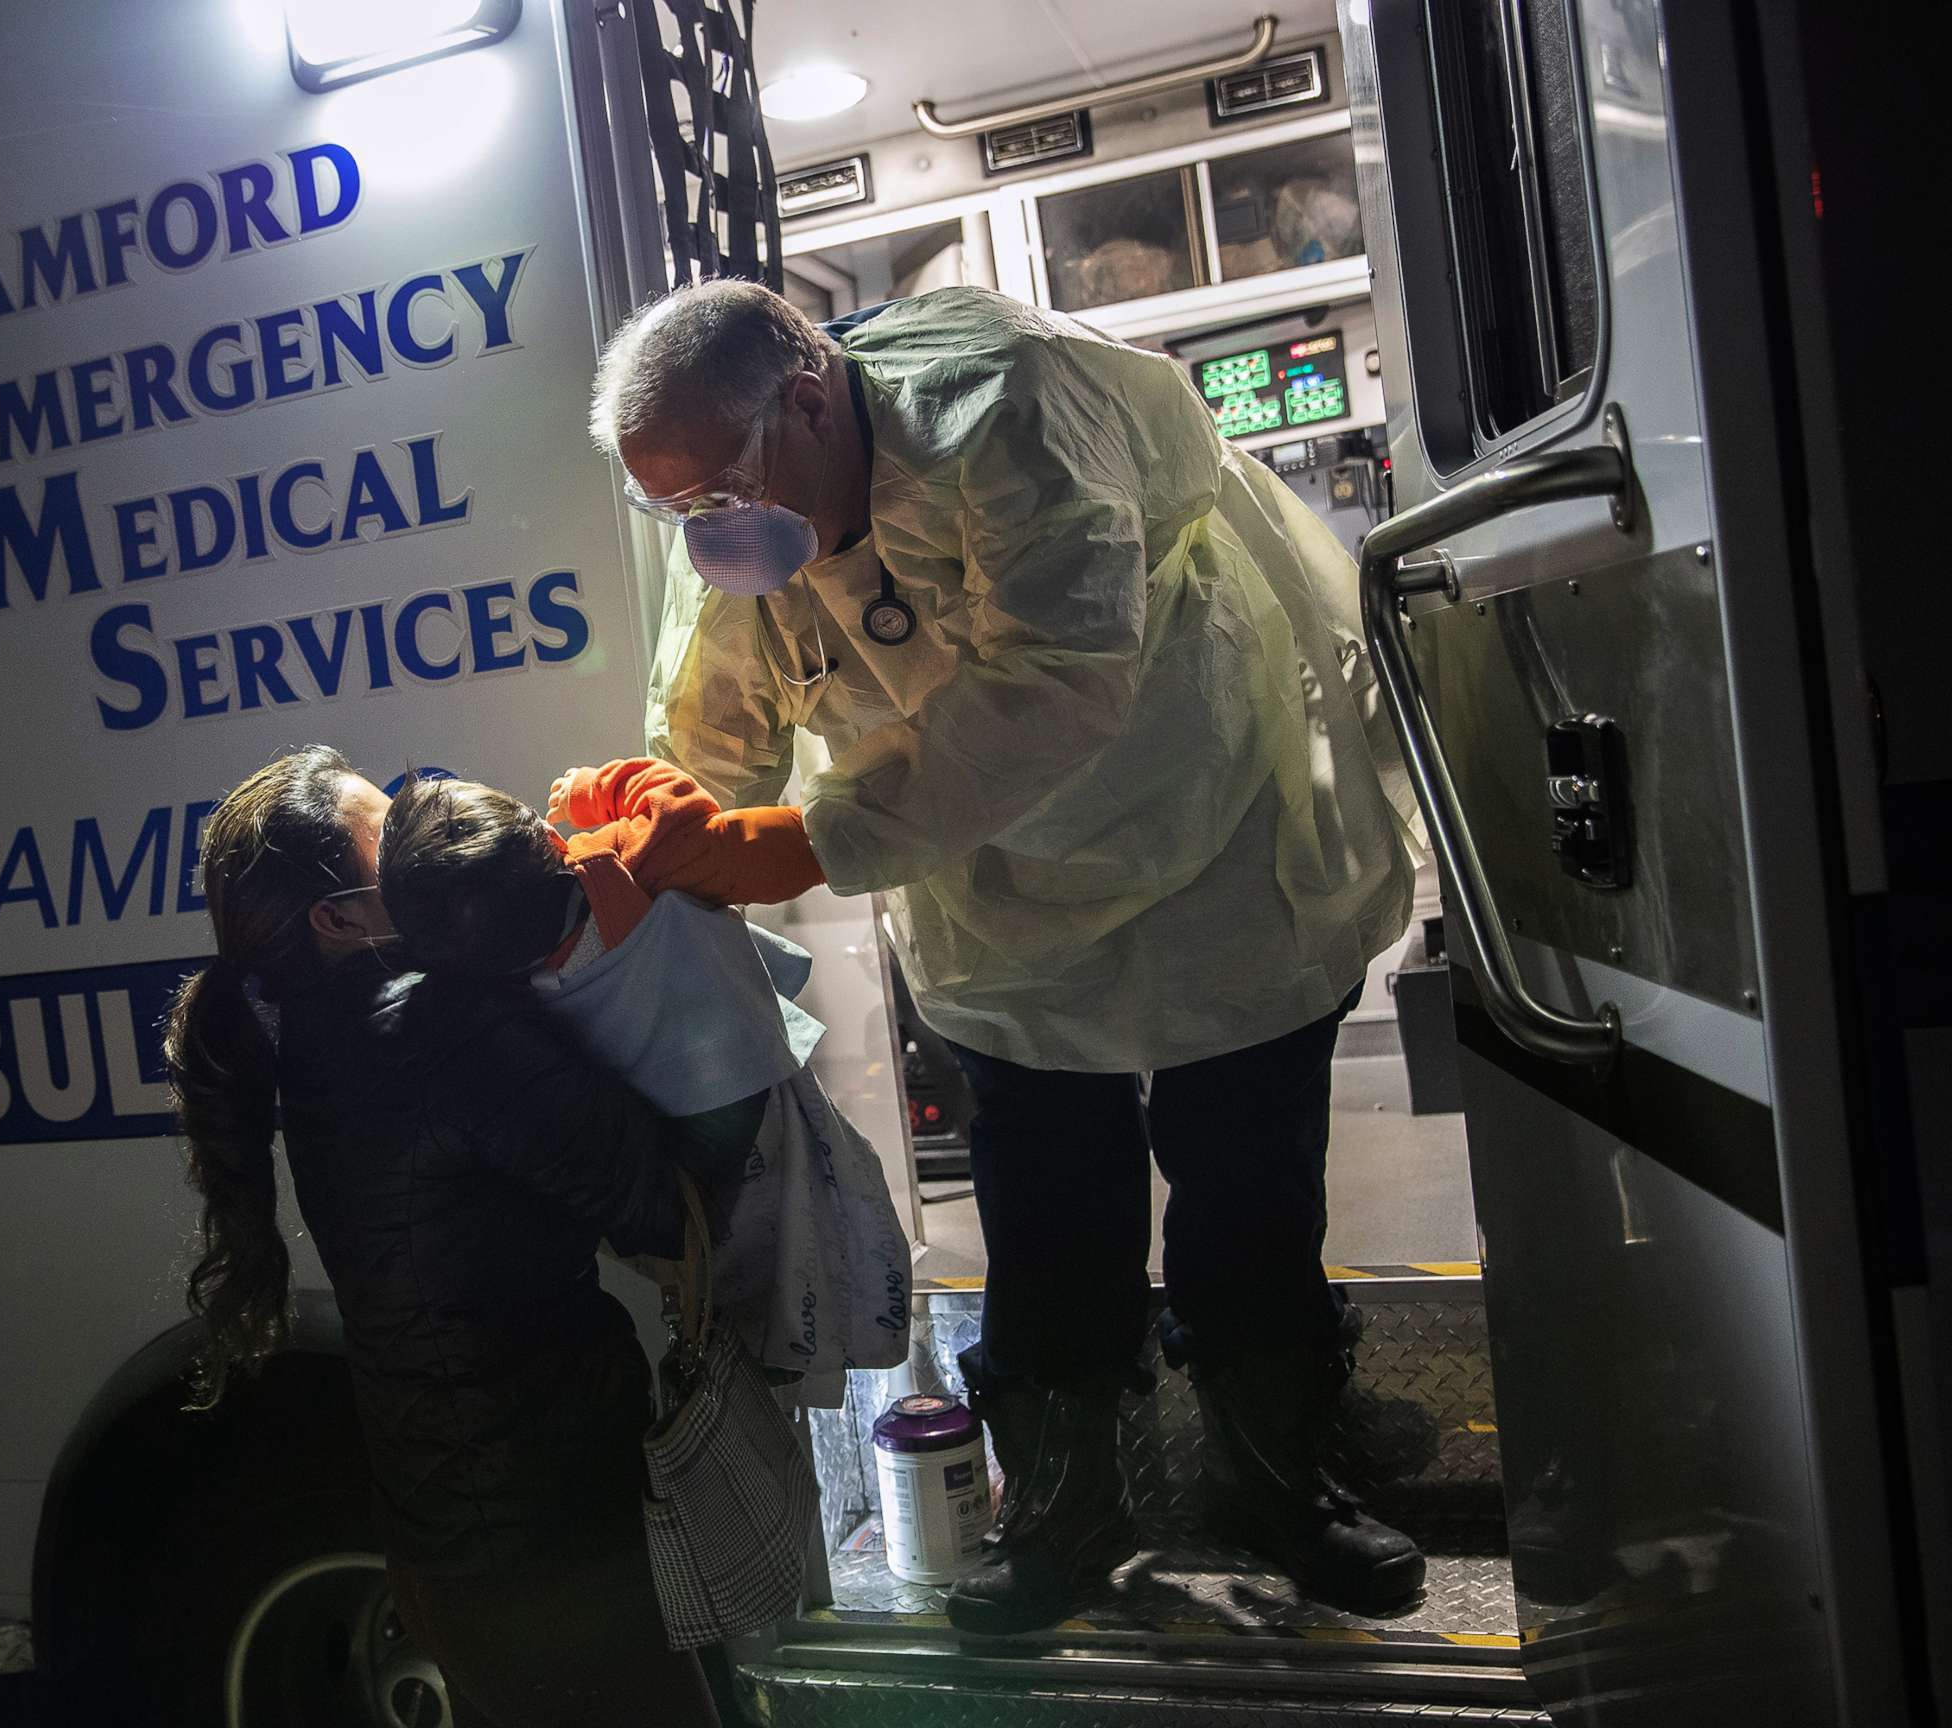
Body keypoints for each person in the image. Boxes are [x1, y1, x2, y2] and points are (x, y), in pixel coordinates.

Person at [591, 281, 1427, 1628]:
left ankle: (1280, 1486)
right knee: (1045, 1215)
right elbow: (718, 712)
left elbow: (1060, 681)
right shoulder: (746, 517)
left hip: (1206, 836)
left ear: (808, 398)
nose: (709, 534)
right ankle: (1068, 1515)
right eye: (672, 512)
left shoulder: (1015, 410)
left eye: (717, 494)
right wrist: (671, 814)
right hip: (993, 894)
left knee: (1248, 1192)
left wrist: (806, 843)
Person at [167, 745, 757, 1726]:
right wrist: (684, 960)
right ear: (340, 918)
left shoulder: (317, 1041)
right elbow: (665, 1199)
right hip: (549, 1553)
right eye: (386, 833)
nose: (413, 833)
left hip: (455, 1548)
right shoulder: (439, 1031)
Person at [375, 759, 910, 1386]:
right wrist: (589, 789)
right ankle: (839, 1331)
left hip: (673, 1139)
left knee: (742, 1241)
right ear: (551, 845)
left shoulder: (496, 996)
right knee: (828, 1185)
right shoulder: (630, 862)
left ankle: (774, 1345)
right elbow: (680, 805)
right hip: (745, 1080)